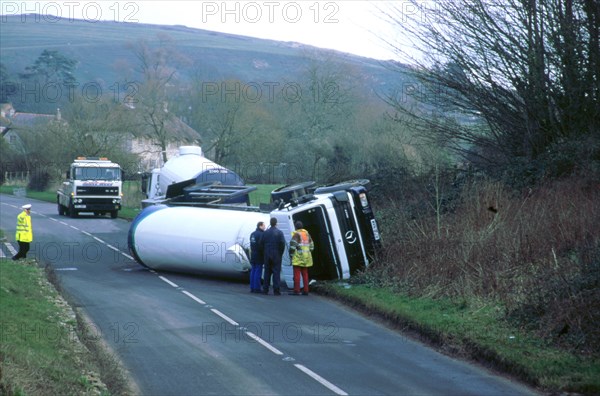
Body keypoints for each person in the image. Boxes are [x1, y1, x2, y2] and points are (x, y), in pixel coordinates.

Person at [259, 217, 285, 295]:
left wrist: (264, 252)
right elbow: (282, 244)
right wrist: (280, 253)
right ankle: (276, 290)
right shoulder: (280, 233)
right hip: (276, 254)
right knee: (276, 273)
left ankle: (265, 289)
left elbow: (261, 243)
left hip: (267, 254)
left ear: (270, 223)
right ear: (276, 223)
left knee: (267, 272)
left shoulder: (265, 232)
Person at [288, 221, 314, 295]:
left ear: (296, 227)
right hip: (306, 257)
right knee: (305, 274)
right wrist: (308, 252)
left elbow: (292, 247)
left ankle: (297, 290)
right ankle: (306, 290)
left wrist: (291, 255)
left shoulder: (296, 235)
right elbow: (312, 246)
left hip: (298, 257)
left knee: (297, 275)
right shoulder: (307, 234)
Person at [249, 221, 266, 293]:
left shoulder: (252, 234)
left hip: (253, 254)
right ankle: (257, 288)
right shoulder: (261, 234)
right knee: (258, 271)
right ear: (260, 226)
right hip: (259, 255)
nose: (265, 227)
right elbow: (262, 246)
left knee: (253, 270)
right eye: (264, 226)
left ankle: (252, 287)